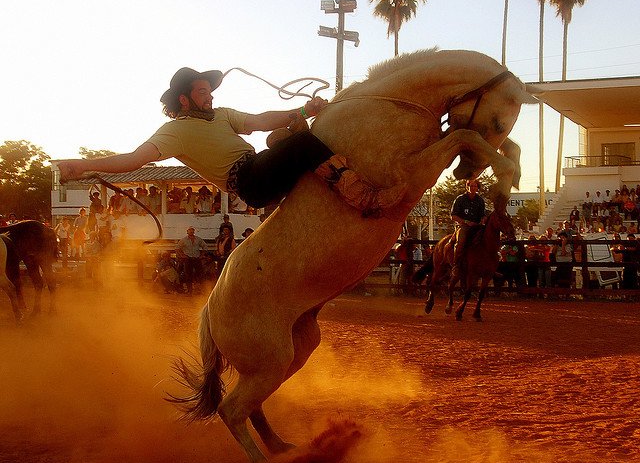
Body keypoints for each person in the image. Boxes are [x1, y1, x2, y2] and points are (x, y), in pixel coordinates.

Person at [56, 67, 405, 218]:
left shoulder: (222, 114)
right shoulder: (172, 133)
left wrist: (302, 110)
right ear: (184, 100)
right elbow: (134, 159)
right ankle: (363, 196)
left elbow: (257, 121)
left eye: (208, 91)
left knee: (283, 135)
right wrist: (86, 164)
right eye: (203, 92)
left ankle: (345, 181)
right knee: (296, 145)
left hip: (261, 166)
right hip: (249, 181)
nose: (209, 96)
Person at [450, 179, 485, 273]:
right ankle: (456, 265)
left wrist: (483, 220)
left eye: (475, 186)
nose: (473, 188)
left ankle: (488, 265)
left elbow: (482, 214)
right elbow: (453, 216)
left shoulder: (480, 200)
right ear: (467, 187)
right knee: (460, 242)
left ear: (477, 188)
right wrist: (465, 221)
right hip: (463, 226)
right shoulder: (460, 199)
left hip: (477, 226)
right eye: (471, 186)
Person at [176, 226, 207, 295]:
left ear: (194, 231)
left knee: (199, 274)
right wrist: (183, 255)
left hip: (196, 259)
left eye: (192, 230)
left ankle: (199, 290)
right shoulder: (183, 240)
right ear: (187, 232)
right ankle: (190, 291)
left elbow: (205, 247)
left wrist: (201, 255)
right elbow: (177, 248)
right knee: (188, 275)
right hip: (188, 259)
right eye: (189, 230)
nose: (191, 231)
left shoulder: (198, 239)